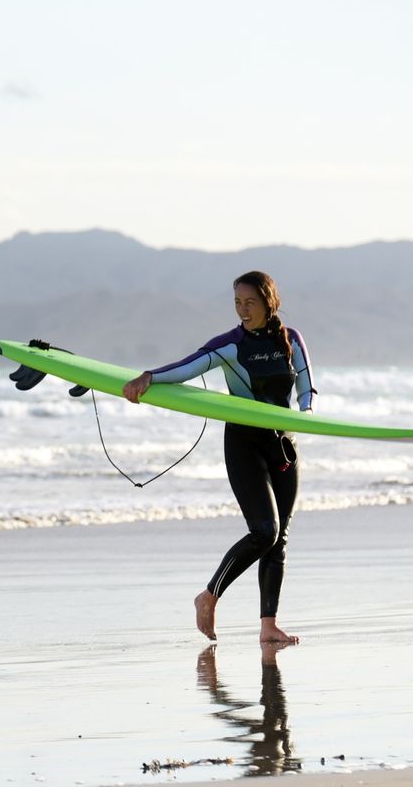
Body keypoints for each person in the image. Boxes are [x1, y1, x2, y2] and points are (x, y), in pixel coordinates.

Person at [122, 271, 315, 643]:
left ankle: (268, 626)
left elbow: (306, 389)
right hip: (245, 443)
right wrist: (149, 376)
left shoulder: (292, 340)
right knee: (264, 532)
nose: (243, 310)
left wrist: (304, 418)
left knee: (280, 538)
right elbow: (187, 367)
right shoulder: (230, 345)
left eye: (250, 302)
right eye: (237, 303)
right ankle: (208, 596)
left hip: (284, 445)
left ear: (268, 302)